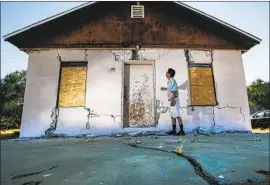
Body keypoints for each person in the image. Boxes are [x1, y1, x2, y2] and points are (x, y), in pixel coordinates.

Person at [161, 68, 185, 136]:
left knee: (177, 115)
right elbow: (171, 89)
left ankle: (182, 131)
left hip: (173, 99)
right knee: (172, 116)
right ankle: (174, 131)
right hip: (171, 99)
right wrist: (164, 88)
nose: (166, 73)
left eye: (167, 72)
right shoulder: (169, 81)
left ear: (169, 74)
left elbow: (174, 91)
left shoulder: (172, 81)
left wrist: (173, 100)